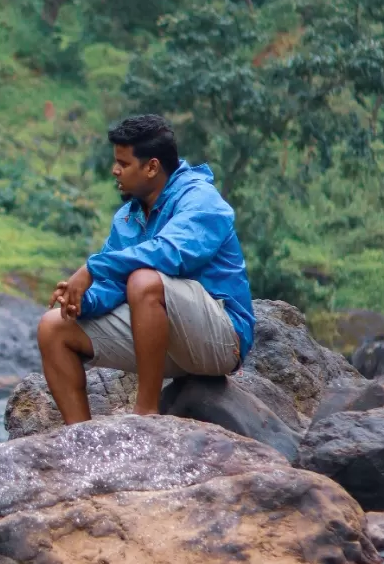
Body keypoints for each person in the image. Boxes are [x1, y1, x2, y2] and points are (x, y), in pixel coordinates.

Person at [38, 115, 254, 420]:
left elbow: (170, 254)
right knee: (52, 327)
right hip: (163, 343)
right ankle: (80, 442)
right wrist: (81, 302)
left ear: (152, 167)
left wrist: (92, 268)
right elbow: (112, 286)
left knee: (143, 281)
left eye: (123, 164)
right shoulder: (127, 217)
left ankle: (146, 413)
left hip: (221, 341)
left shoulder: (202, 200)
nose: (115, 170)